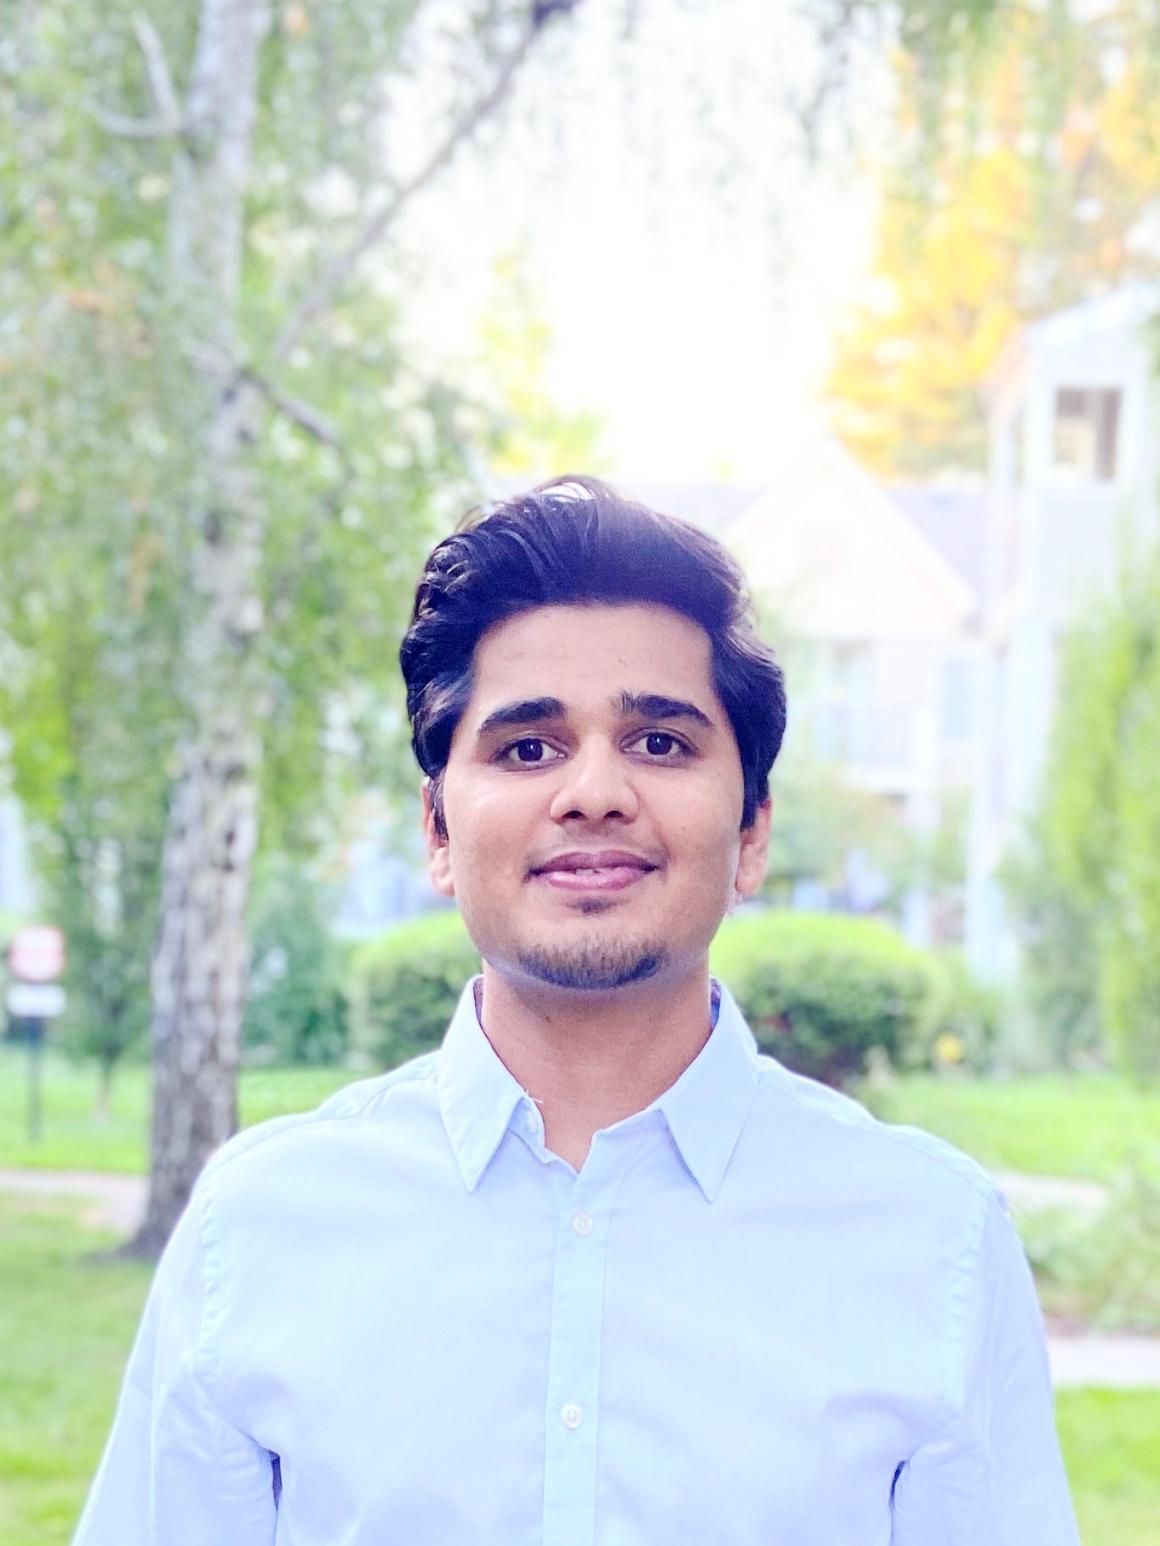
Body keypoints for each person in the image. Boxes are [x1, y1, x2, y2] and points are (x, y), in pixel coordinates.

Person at [75, 477, 1080, 1544]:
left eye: (659, 743)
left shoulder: (933, 1239)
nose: (594, 791)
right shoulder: (257, 1228)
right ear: (437, 831)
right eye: (527, 747)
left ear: (751, 833)